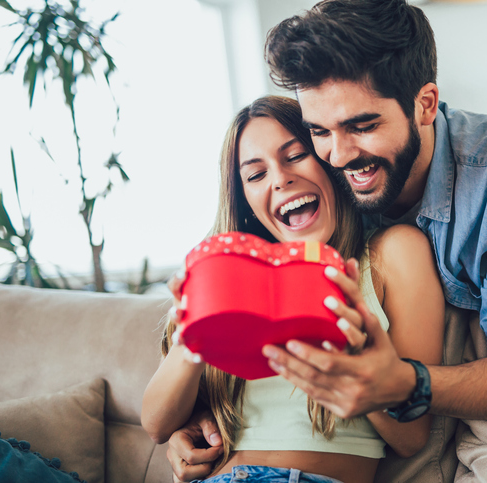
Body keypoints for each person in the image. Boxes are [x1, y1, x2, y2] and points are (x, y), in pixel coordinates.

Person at [166, 0, 487, 480]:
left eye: (363, 126)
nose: (338, 155)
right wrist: (202, 412)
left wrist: (404, 382)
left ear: (424, 104)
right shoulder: (315, 171)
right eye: (318, 131)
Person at [142, 95, 445, 483]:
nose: (280, 178)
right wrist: (192, 336)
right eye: (255, 175)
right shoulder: (235, 282)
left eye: (296, 155)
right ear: (247, 202)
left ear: (329, 160)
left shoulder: (393, 253)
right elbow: (155, 426)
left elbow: (412, 437)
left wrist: (348, 354)